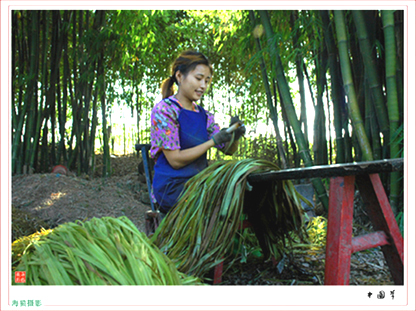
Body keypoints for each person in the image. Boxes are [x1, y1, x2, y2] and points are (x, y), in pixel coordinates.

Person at [150, 50, 245, 217]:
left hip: (199, 184)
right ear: (179, 76)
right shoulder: (165, 110)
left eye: (207, 81)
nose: (203, 86)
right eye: (199, 79)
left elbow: (228, 150)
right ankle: (211, 242)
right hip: (172, 187)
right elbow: (175, 160)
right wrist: (212, 142)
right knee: (218, 204)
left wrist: (234, 137)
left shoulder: (204, 115)